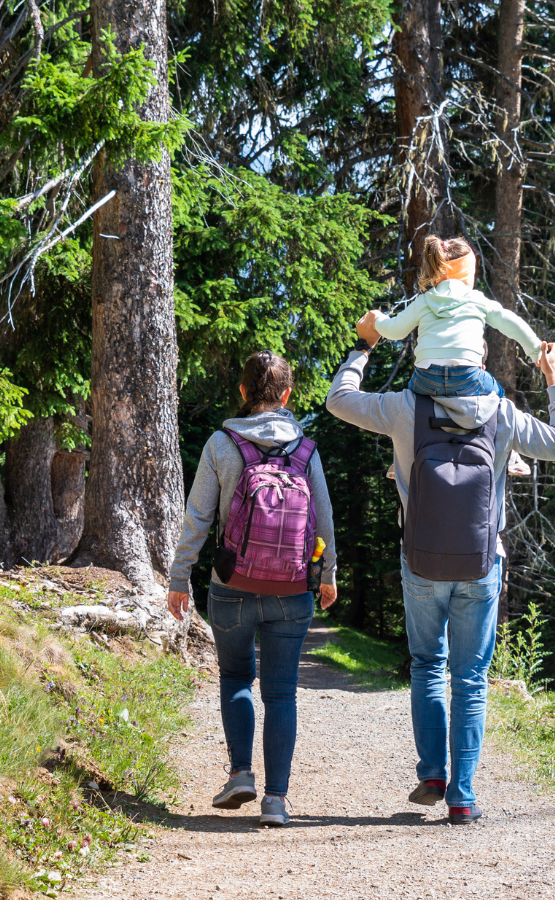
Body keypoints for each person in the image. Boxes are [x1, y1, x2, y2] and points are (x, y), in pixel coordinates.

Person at [325, 313, 555, 825]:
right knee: (470, 678)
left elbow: (338, 401)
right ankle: (462, 797)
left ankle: (432, 774)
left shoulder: (403, 408)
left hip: (420, 561)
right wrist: (554, 381)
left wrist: (363, 346)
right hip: (481, 564)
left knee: (427, 665)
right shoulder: (503, 414)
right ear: (480, 360)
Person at [166, 350, 339, 828]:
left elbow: (198, 517)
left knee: (236, 676)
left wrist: (180, 577)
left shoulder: (222, 444)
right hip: (292, 590)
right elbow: (323, 518)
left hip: (231, 585)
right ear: (286, 396)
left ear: (242, 393)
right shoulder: (306, 450)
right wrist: (328, 574)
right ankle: (277, 801)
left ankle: (241, 772)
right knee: (281, 693)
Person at [368, 235, 543, 400]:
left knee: (411, 394)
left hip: (426, 379)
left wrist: (376, 320)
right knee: (499, 396)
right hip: (467, 376)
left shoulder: (423, 301)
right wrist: (536, 351)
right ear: (468, 274)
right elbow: (512, 323)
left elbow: (395, 330)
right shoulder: (477, 300)